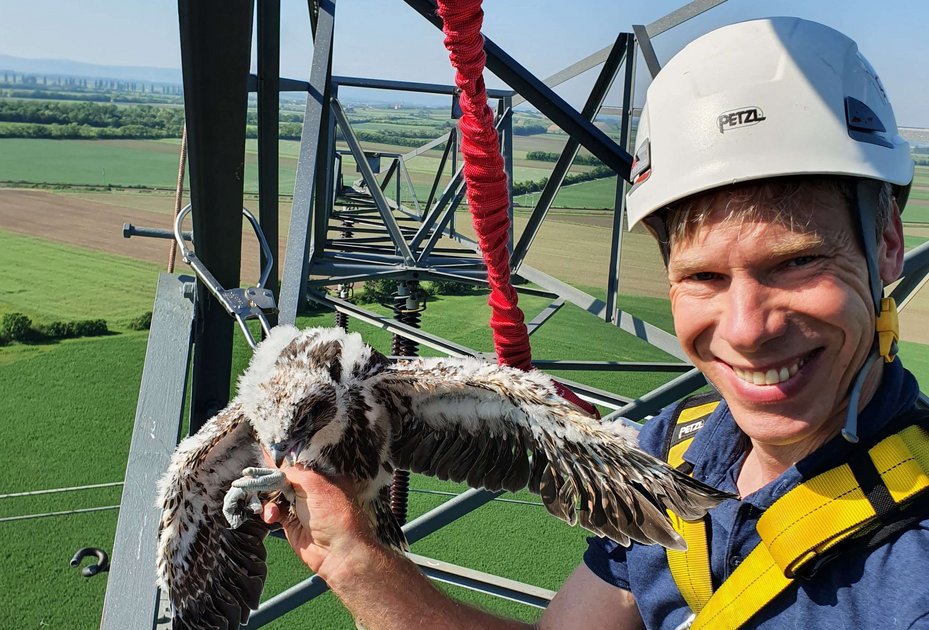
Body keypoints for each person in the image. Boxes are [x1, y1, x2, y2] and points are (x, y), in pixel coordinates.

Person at [262, 17, 927, 629]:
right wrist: (354, 561)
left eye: (796, 263)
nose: (747, 327)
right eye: (703, 277)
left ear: (889, 245)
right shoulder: (675, 453)